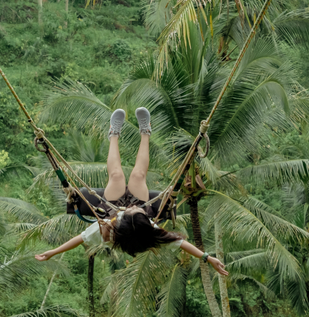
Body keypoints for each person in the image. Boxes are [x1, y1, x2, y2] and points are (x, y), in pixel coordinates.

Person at [35, 108, 228, 276]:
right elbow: (180, 243)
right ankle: (146, 132)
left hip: (110, 211)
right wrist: (207, 258)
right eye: (138, 210)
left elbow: (79, 239)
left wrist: (52, 252)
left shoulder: (106, 232)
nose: (132, 206)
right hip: (139, 217)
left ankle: (113, 134)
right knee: (137, 176)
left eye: (131, 210)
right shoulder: (150, 230)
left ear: (122, 222)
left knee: (117, 176)